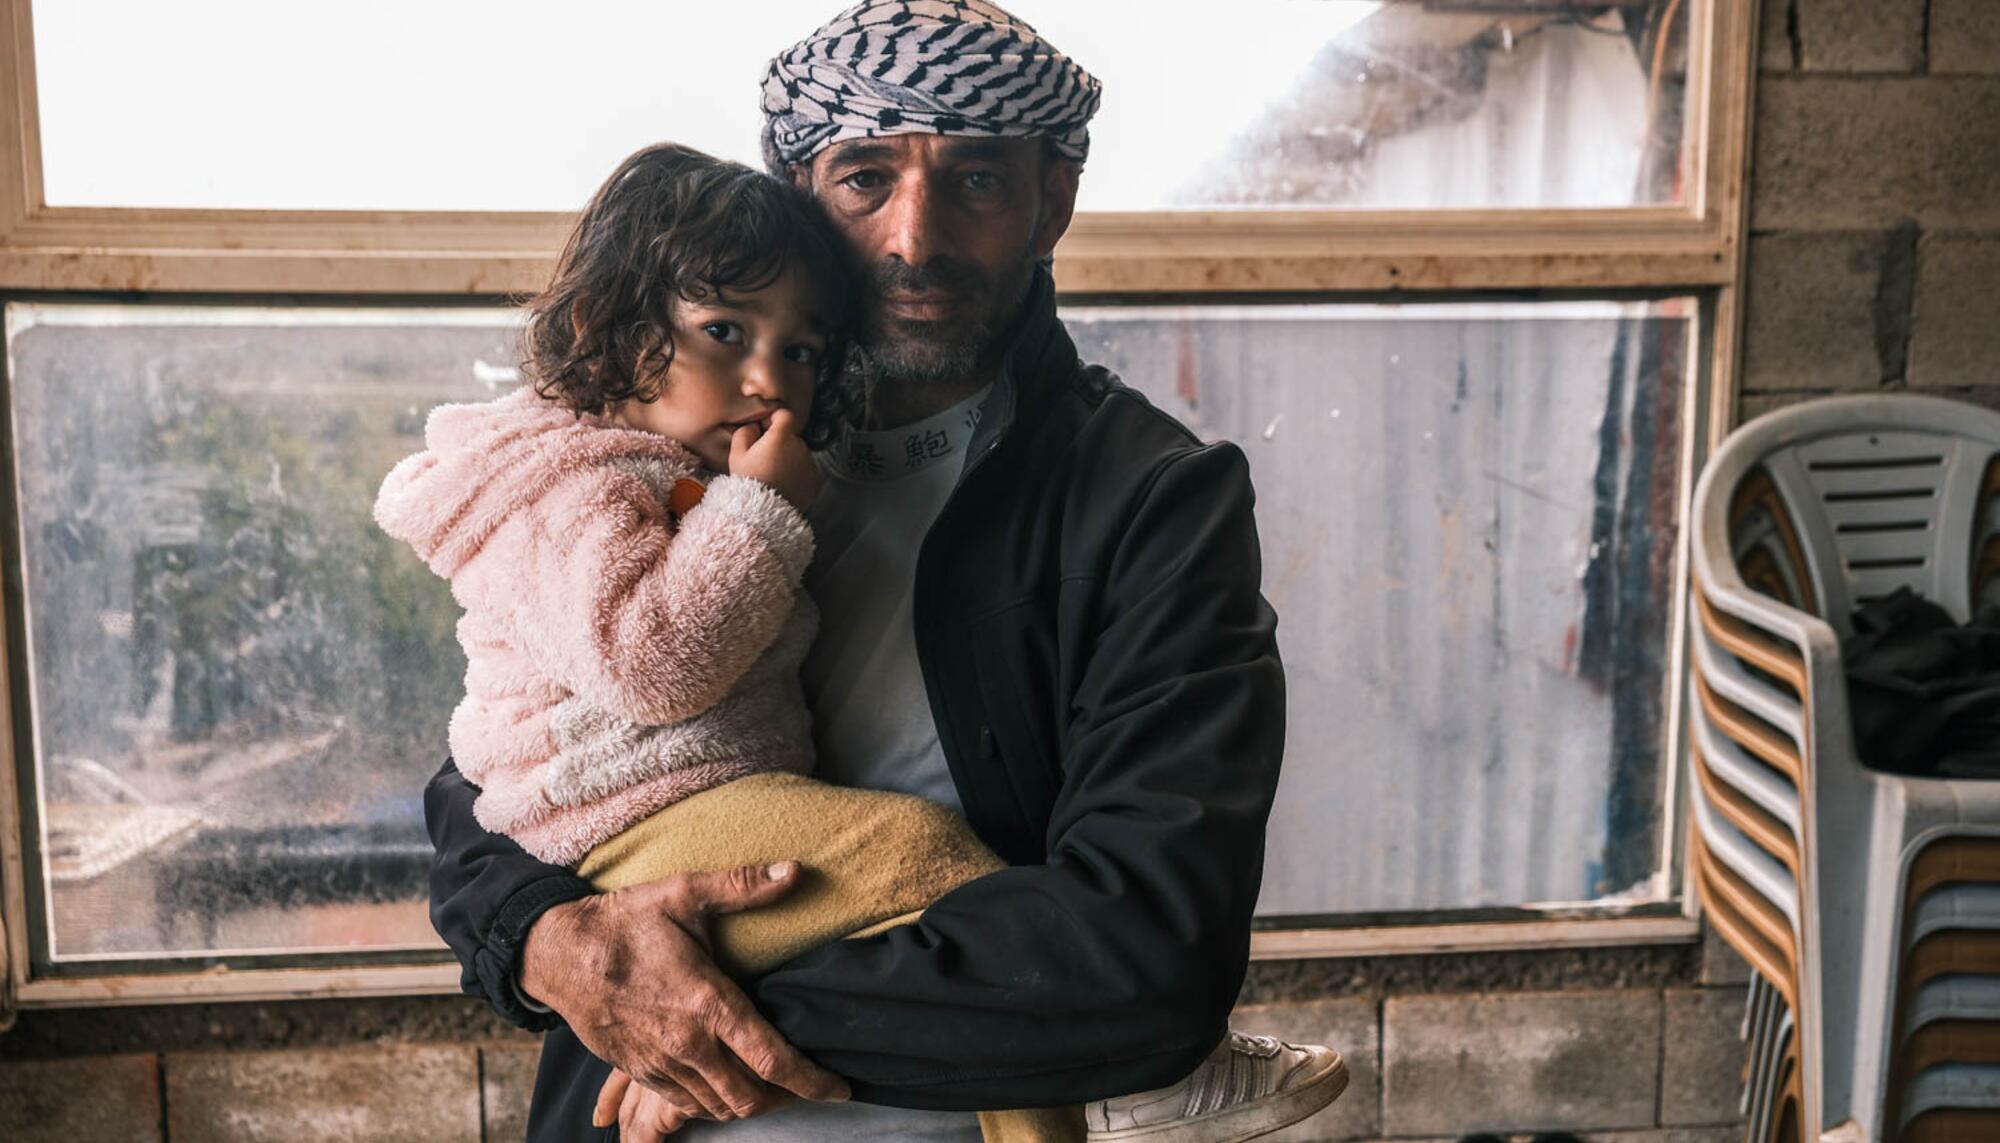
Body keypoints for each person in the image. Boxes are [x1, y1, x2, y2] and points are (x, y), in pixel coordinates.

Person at [423, 2, 1317, 1140]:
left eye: (977, 181)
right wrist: (548, 943)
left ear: (1053, 200)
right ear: (798, 190)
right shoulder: (669, 447)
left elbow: (1146, 945)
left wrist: (693, 1008)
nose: (913, 238)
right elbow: (487, 770)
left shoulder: (1151, 502)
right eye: (863, 179)